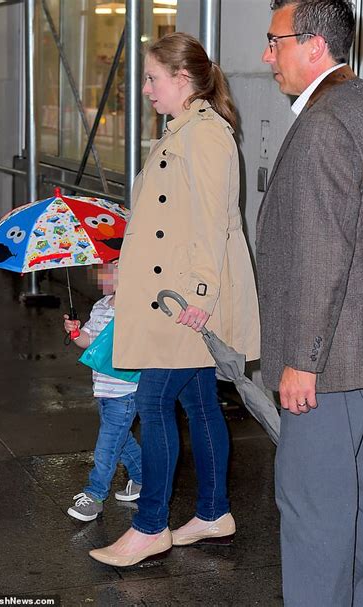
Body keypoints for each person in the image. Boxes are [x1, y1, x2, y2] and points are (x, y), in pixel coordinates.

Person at [89, 32, 260, 567]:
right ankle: (212, 513)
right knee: (198, 402)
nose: (145, 89)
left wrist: (201, 297)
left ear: (182, 80)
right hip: (173, 297)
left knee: (153, 403)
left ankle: (150, 525)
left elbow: (213, 225)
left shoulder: (204, 136)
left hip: (184, 303)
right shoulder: (182, 132)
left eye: (152, 78)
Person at [257, 1, 363, 605]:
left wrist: (303, 360)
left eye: (275, 42)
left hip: (329, 362)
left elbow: (323, 253)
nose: (267, 56)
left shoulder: (325, 124)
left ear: (314, 45)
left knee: (314, 502)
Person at [63, 264, 142, 522]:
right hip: (103, 390)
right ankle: (144, 477)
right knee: (121, 440)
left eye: (111, 270)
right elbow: (88, 341)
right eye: (101, 271)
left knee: (107, 446)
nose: (103, 276)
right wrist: (75, 332)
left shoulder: (135, 308)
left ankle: (95, 496)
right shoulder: (100, 306)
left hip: (125, 391)